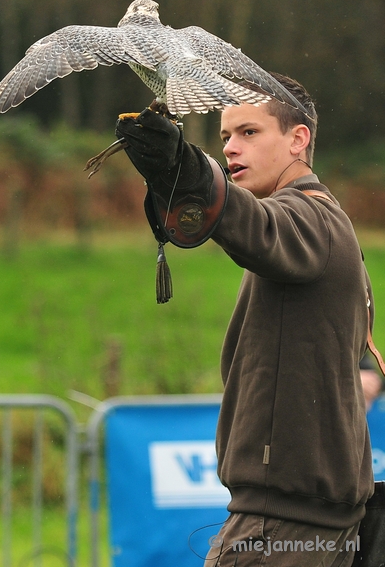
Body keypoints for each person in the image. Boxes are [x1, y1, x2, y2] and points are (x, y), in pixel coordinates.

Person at [116, 75, 374, 567]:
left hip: (279, 523)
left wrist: (187, 171)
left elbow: (255, 227)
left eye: (249, 133)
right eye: (224, 137)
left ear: (298, 139)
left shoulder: (307, 220)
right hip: (315, 521)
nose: (231, 148)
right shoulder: (331, 224)